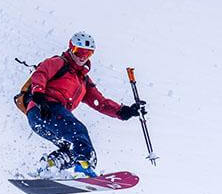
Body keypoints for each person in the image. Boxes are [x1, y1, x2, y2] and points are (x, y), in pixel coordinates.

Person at [25, 31, 143, 178]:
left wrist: (124, 111)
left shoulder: (83, 81)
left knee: (72, 148)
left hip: (43, 121)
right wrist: (39, 97)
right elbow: (40, 74)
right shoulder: (58, 63)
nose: (82, 57)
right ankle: (84, 167)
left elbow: (100, 103)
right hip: (44, 109)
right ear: (70, 48)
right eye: (78, 51)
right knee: (78, 131)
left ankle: (49, 167)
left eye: (87, 54)